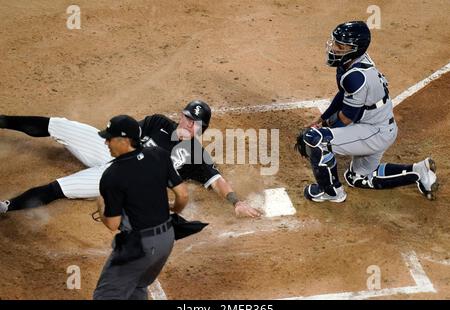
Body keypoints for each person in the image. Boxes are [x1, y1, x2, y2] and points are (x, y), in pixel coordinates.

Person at [0, 100, 261, 218]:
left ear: (202, 128)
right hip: (113, 151)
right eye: (185, 117)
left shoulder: (195, 156)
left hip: (120, 177)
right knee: (60, 125)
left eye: (194, 122)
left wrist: (236, 202)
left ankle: (6, 207)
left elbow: (218, 182)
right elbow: (129, 131)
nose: (186, 123)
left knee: (60, 188)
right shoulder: (158, 122)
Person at [295, 21, 438, 202]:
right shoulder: (348, 64)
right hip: (377, 125)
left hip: (375, 132)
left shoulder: (356, 77)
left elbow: (347, 117)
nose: (334, 48)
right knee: (358, 178)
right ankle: (419, 171)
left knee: (315, 140)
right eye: (335, 42)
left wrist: (323, 132)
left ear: (355, 48)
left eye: (340, 45)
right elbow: (343, 94)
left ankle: (331, 192)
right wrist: (322, 119)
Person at [93, 114, 188, 300]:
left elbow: (113, 224)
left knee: (106, 295)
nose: (106, 143)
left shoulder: (112, 175)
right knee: (137, 288)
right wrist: (175, 209)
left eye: (109, 139)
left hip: (138, 247)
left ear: (124, 140)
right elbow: (183, 194)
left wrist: (100, 205)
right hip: (166, 240)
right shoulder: (159, 154)